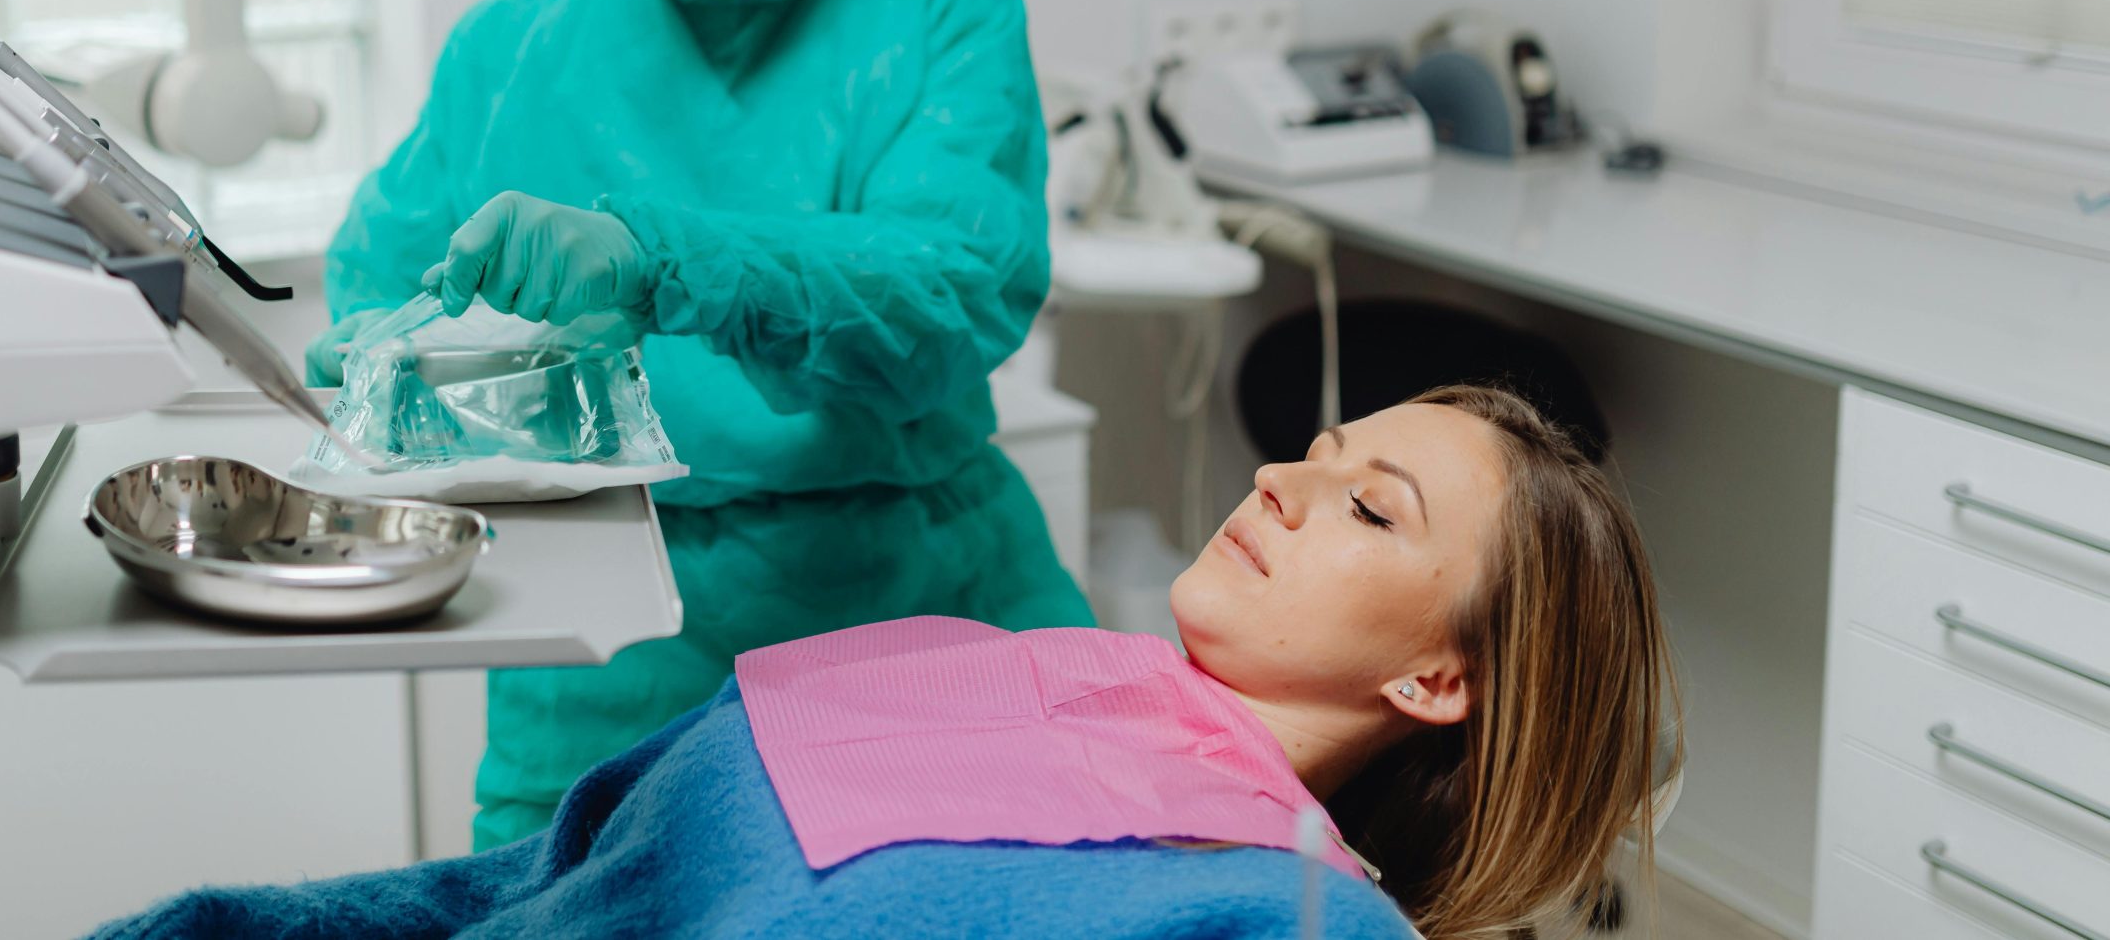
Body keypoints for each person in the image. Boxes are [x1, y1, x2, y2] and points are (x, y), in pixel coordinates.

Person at [313, 0, 1091, 846]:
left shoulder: (943, 6)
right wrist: (385, 366)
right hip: (604, 653)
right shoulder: (515, 42)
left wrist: (666, 262)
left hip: (912, 613)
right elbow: (371, 295)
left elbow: (947, 292)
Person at [91, 386, 1680, 940]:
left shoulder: (1283, 903)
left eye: (1366, 504)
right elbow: (557, 869)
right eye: (1318, 450)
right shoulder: (981, 653)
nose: (1281, 479)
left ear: (1437, 681)